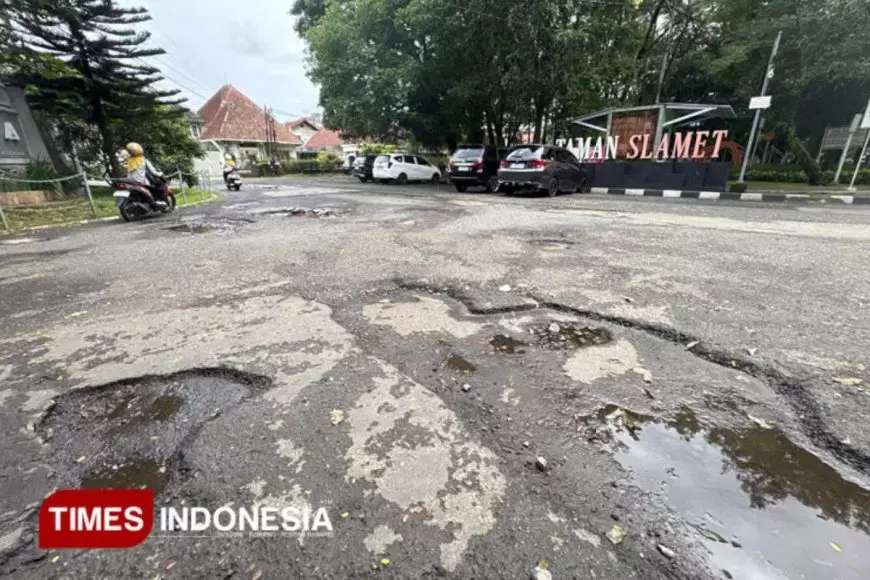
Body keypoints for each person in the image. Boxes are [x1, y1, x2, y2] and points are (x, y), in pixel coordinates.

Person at [125, 142, 167, 206]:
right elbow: (153, 172)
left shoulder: (130, 160)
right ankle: (160, 202)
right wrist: (161, 174)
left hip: (130, 182)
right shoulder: (143, 160)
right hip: (140, 182)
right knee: (159, 187)